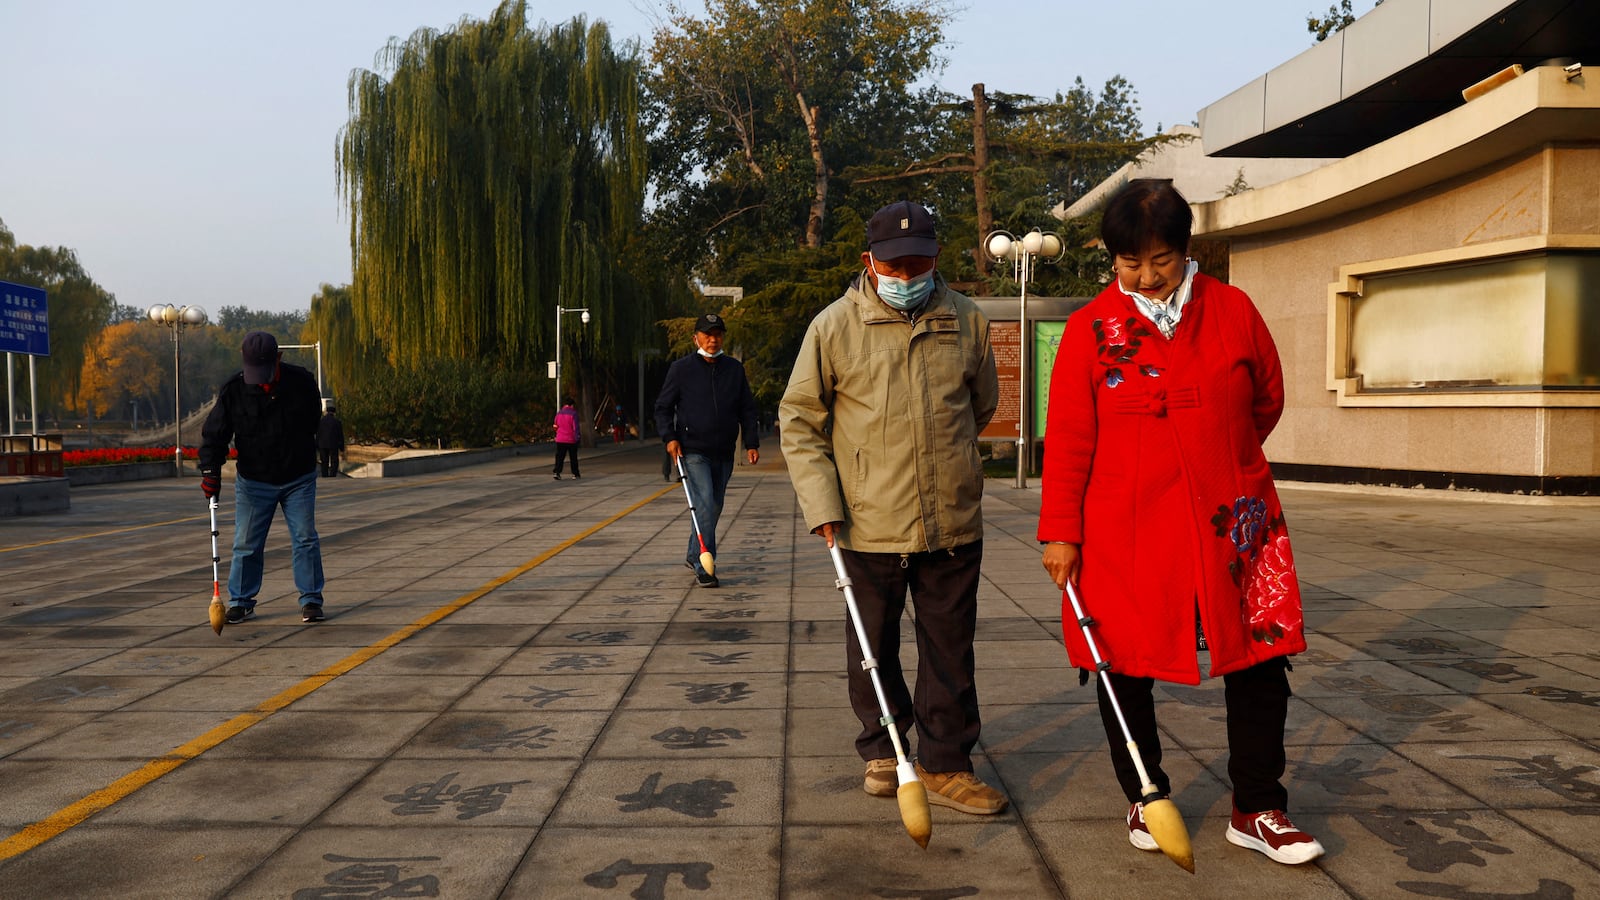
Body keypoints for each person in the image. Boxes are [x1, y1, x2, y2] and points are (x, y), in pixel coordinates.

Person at [1037, 178, 1323, 865]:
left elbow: (1266, 399)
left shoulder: (1232, 309)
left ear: (1186, 251)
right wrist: (1060, 531)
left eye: (1159, 261)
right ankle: (1146, 791)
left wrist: (1215, 452)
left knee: (1259, 655)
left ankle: (1257, 807)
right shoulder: (1089, 330)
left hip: (1235, 519)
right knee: (1122, 657)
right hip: (1124, 523)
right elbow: (1071, 437)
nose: (1145, 276)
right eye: (1129, 264)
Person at [779, 200, 1005, 816]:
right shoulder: (833, 328)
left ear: (937, 259)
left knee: (950, 646)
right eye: (894, 266)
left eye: (919, 264)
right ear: (868, 263)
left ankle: (946, 762)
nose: (907, 277)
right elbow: (799, 421)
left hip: (951, 518)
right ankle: (883, 747)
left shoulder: (967, 320)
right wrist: (824, 501)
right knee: (871, 643)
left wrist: (950, 461)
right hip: (866, 519)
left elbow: (980, 406)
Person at [199, 331, 328, 624]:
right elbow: (214, 435)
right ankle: (242, 601)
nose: (259, 379)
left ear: (278, 359)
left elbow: (312, 423)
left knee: (305, 538)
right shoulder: (234, 389)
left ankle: (310, 599)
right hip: (255, 479)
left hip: (298, 476)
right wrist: (210, 472)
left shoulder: (302, 383)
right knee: (246, 543)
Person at [654, 312, 760, 588]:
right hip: (693, 450)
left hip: (724, 451)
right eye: (707, 334)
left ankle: (693, 553)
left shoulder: (734, 370)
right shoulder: (681, 369)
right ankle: (705, 563)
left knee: (713, 506)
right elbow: (663, 408)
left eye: (717, 334)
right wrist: (669, 437)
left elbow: (747, 409)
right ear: (696, 338)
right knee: (704, 503)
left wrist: (751, 442)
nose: (712, 340)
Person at [553, 398, 581, 480]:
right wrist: (577, 438)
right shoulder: (573, 414)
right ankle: (575, 474)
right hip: (570, 439)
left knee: (559, 457)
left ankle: (557, 472)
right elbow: (576, 428)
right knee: (573, 457)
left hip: (560, 439)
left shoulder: (559, 414)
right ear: (572, 405)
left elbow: (555, 425)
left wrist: (558, 433)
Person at [316, 403, 344, 478]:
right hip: (333, 444)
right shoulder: (337, 422)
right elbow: (340, 435)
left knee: (324, 461)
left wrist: (317, 445)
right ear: (334, 413)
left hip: (322, 444)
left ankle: (324, 474)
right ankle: (332, 474)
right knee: (334, 460)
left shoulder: (321, 421)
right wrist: (342, 447)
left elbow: (318, 434)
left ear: (326, 412)